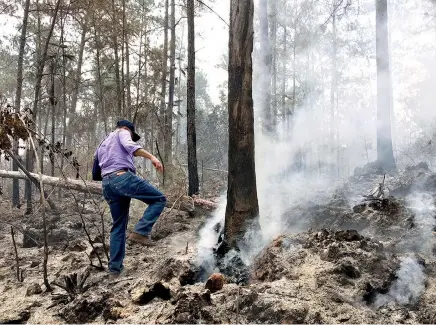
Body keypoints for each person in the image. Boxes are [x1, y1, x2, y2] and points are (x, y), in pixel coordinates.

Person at [94, 120, 166, 277]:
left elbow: (95, 172)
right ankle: (141, 231)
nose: (132, 138)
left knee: (118, 226)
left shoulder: (102, 143)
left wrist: (110, 178)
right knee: (159, 199)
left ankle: (114, 270)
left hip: (107, 184)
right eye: (133, 136)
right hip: (121, 177)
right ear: (128, 130)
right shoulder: (123, 132)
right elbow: (130, 147)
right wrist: (152, 157)